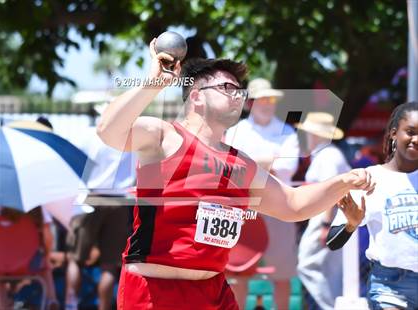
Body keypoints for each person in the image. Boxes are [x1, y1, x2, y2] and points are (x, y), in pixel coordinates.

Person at [96, 38, 375, 309]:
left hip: (214, 292)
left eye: (240, 90)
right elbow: (108, 131)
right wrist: (154, 83)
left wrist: (343, 182)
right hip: (154, 291)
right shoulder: (164, 136)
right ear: (196, 96)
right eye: (228, 87)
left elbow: (292, 205)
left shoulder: (241, 163)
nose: (237, 95)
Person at [327, 101, 418, 310]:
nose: (416, 139)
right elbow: (332, 242)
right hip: (391, 286)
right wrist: (351, 224)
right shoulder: (370, 178)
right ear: (394, 133)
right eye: (410, 132)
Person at [225, 78, 299, 309]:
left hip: (280, 208)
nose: (267, 104)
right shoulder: (237, 131)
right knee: (238, 273)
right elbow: (231, 169)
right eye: (262, 99)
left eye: (271, 99)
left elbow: (289, 167)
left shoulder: (287, 131)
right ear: (250, 103)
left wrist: (250, 163)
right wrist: (269, 161)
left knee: (283, 274)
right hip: (245, 209)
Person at [65, 125, 135, 310]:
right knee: (109, 265)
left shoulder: (89, 134)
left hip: (90, 198)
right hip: (119, 201)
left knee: (75, 260)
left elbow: (74, 162)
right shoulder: (130, 139)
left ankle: (71, 305)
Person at [295, 112, 351, 310]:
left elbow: (331, 193)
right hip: (336, 217)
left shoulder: (328, 156)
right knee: (331, 271)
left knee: (306, 264)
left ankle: (331, 307)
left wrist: (326, 224)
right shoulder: (328, 154)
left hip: (327, 216)